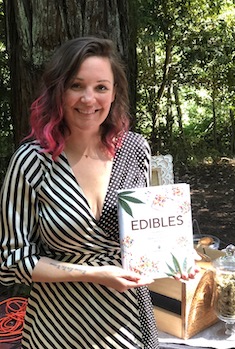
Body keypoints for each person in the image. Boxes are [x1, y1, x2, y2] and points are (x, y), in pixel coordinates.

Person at [0, 36, 198, 349]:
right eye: (77, 85)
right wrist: (94, 273)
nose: (89, 99)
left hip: (128, 324)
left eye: (101, 87)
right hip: (58, 325)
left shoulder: (136, 149)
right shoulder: (30, 162)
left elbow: (145, 236)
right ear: (58, 91)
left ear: (114, 92)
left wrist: (174, 258)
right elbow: (12, 262)